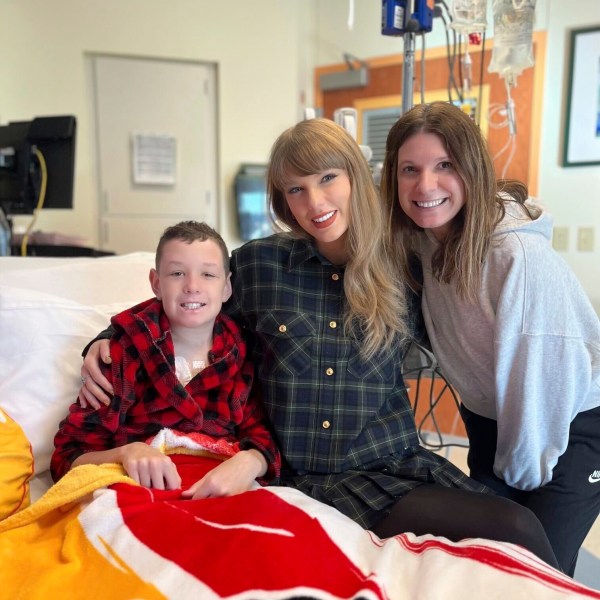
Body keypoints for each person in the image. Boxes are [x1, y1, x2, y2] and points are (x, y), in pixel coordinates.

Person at [77, 118, 559, 568]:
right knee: (509, 530)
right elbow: (188, 299)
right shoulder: (261, 268)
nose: (314, 202)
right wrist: (107, 336)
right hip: (303, 474)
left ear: (355, 177)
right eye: (295, 189)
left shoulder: (407, 265)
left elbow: (472, 242)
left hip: (393, 464)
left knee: (517, 528)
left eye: (328, 178)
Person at [380, 100, 600, 576]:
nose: (425, 186)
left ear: (473, 170)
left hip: (565, 426)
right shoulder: (424, 240)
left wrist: (519, 478)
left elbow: (541, 381)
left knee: (534, 575)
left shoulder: (516, 256)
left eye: (445, 166)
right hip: (494, 423)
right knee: (475, 566)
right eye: (409, 170)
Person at [51, 220, 281, 499]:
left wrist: (251, 460)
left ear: (226, 288)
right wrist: (127, 452)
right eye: (177, 273)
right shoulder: (120, 354)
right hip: (140, 494)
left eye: (208, 275)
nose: (192, 286)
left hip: (218, 491)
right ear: (156, 284)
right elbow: (67, 457)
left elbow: (263, 438)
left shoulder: (243, 353)